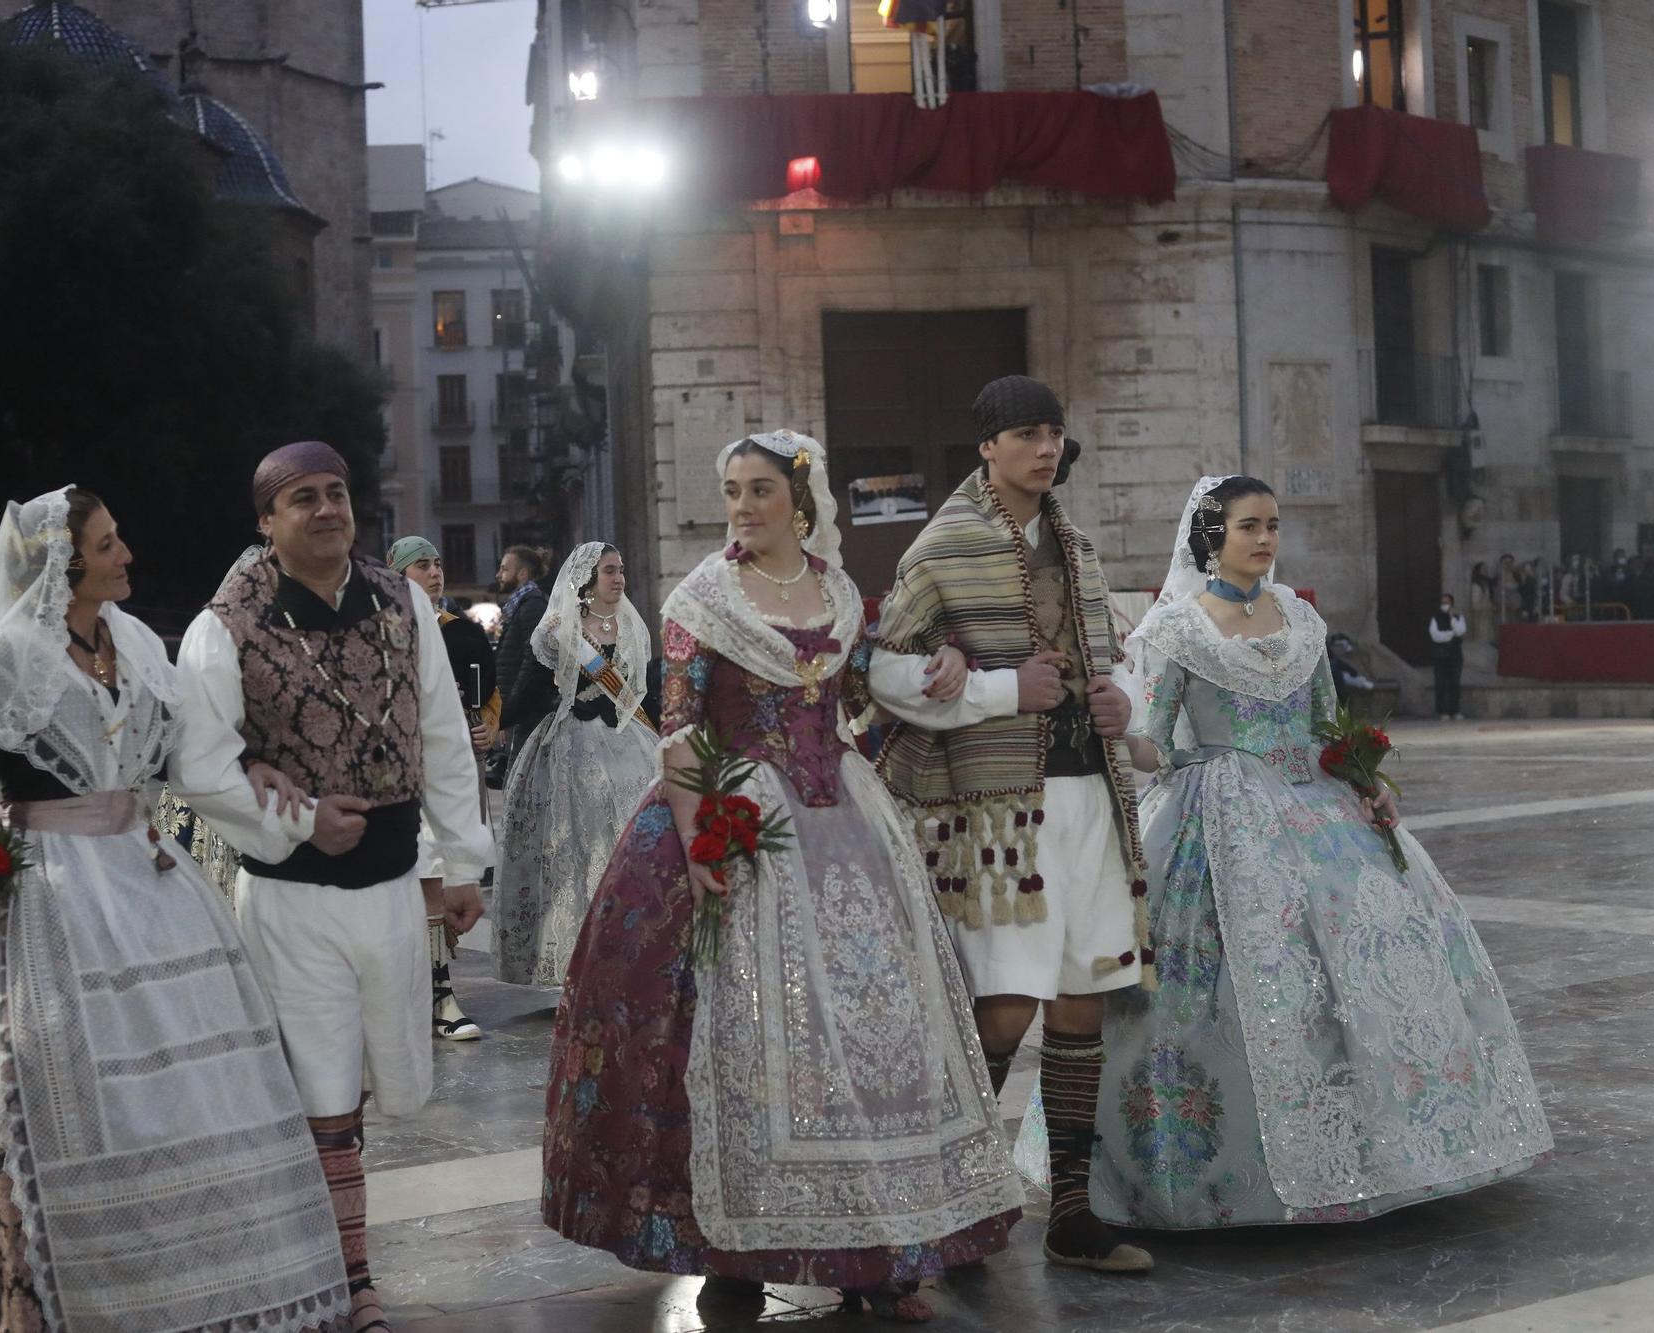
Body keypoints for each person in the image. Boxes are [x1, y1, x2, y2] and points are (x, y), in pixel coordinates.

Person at [542, 431, 1022, 1324]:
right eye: (732, 489)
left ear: (802, 500)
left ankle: (875, 1255)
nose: (743, 505)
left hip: (842, 816)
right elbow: (680, 728)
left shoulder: (839, 592)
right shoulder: (703, 597)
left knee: (870, 1023)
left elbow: (868, 690)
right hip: (734, 812)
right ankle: (732, 1252)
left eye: (761, 489)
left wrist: (948, 666)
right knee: (729, 1035)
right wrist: (697, 840)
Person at [0, 488, 350, 1332]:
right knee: (61, 1087)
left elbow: (192, 745)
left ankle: (215, 1275)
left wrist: (259, 764)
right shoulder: (9, 659)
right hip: (51, 889)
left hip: (147, 871)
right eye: (109, 543)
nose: (126, 555)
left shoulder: (132, 642)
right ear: (66, 563)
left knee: (201, 1087)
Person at [1015, 474, 1552, 1228]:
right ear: (1213, 535)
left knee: (1369, 955)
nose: (1265, 538)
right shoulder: (1176, 629)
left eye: (1272, 523)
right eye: (1248, 525)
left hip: (1321, 809)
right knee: (1234, 982)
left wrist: (1368, 783)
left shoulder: (1300, 617)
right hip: (1217, 816)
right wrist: (1114, 726)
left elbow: (1329, 726)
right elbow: (1160, 748)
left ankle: (1388, 1145)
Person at [171, 442, 494, 1333]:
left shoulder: (402, 600)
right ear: (266, 523)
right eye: (302, 499)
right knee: (322, 1095)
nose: (326, 510)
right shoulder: (224, 625)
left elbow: (443, 731)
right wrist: (298, 820)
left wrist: (461, 862)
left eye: (338, 494)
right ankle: (350, 1279)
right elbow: (197, 765)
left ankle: (332, 1257)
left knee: (381, 1082)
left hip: (392, 883)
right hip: (293, 894)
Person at [867, 375, 1155, 1275]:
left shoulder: (1078, 546)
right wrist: (1000, 689)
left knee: (1080, 1003)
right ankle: (960, 1201)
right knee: (999, 1013)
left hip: (1089, 799)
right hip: (995, 819)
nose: (1047, 447)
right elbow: (881, 670)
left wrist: (1123, 701)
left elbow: (1117, 655)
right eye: (1028, 432)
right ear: (987, 445)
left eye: (1055, 432)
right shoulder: (943, 546)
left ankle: (1069, 1210)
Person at [494, 542, 658, 987]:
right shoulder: (556, 631)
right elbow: (526, 692)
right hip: (572, 751)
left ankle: (635, 953)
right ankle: (580, 963)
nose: (618, 578)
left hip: (630, 747)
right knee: (577, 857)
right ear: (586, 581)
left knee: (631, 850)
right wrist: (494, 720)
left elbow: (645, 695)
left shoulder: (631, 627)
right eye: (609, 571)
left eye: (621, 569)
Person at [389, 535, 500, 1041]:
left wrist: (485, 725)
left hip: (441, 767)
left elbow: (485, 694)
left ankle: (442, 995)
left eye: (437, 564)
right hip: (393, 771)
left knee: (436, 870)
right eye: (420, 566)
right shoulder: (383, 628)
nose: (434, 573)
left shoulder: (460, 633)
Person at [491, 544, 551, 752]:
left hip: (526, 719)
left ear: (522, 573)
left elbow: (532, 664)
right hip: (518, 717)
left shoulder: (532, 606)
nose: (499, 575)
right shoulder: (520, 607)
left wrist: (508, 712)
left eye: (505, 569)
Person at [1428, 593, 1466, 720]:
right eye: (1443, 603)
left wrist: (1452, 619)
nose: (1445, 606)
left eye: (1447, 603)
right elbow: (1435, 635)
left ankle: (1454, 710)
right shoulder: (1435, 618)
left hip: (1455, 655)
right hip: (1440, 655)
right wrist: (1451, 634)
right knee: (1441, 683)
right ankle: (1442, 711)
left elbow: (1461, 631)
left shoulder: (1458, 617)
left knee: (1454, 683)